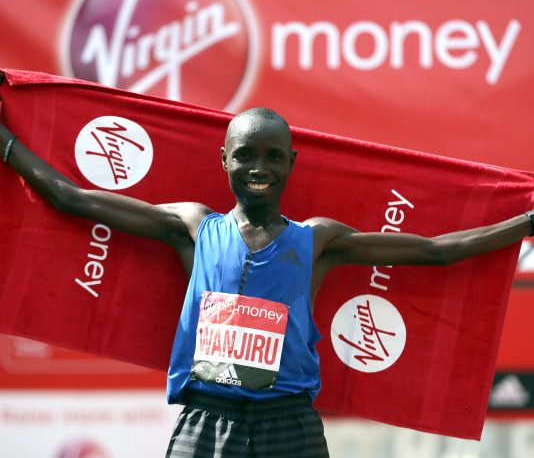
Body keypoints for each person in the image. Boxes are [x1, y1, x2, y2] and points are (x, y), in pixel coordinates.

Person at [1, 106, 532, 458]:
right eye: (246, 155)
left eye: (274, 156)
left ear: (291, 163)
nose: (260, 167)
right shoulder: (193, 228)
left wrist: (526, 221)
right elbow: (69, 197)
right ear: (224, 160)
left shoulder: (316, 240)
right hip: (206, 422)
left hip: (289, 427)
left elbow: (438, 252)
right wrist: (5, 141)